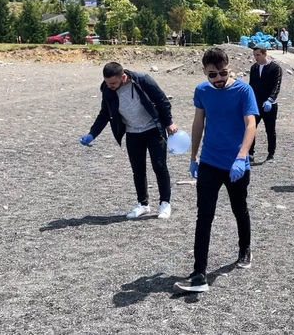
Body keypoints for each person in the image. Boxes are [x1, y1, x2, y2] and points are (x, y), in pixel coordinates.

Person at [174, 48, 258, 293]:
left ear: (229, 67)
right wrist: (193, 157)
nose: (218, 78)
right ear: (204, 72)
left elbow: (251, 124)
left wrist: (241, 157)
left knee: (239, 209)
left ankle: (245, 248)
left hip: (236, 163)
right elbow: (199, 122)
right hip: (209, 162)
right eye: (213, 75)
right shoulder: (201, 92)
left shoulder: (244, 90)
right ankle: (199, 272)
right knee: (204, 216)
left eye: (222, 72)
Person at [80, 62, 178, 219]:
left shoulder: (143, 80)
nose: (109, 86)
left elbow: (162, 101)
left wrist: (168, 123)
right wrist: (92, 134)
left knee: (160, 167)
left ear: (123, 77)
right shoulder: (107, 89)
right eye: (107, 83)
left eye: (113, 83)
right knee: (138, 170)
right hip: (133, 133)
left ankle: (165, 204)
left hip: (153, 130)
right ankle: (143, 205)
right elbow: (105, 113)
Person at [248, 45, 282, 163]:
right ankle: (250, 153)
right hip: (256, 104)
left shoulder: (275, 68)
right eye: (254, 55)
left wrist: (270, 100)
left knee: (270, 130)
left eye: (258, 55)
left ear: (264, 54)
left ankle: (271, 153)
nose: (256, 57)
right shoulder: (254, 68)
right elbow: (251, 86)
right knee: (251, 128)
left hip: (270, 105)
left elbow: (276, 86)